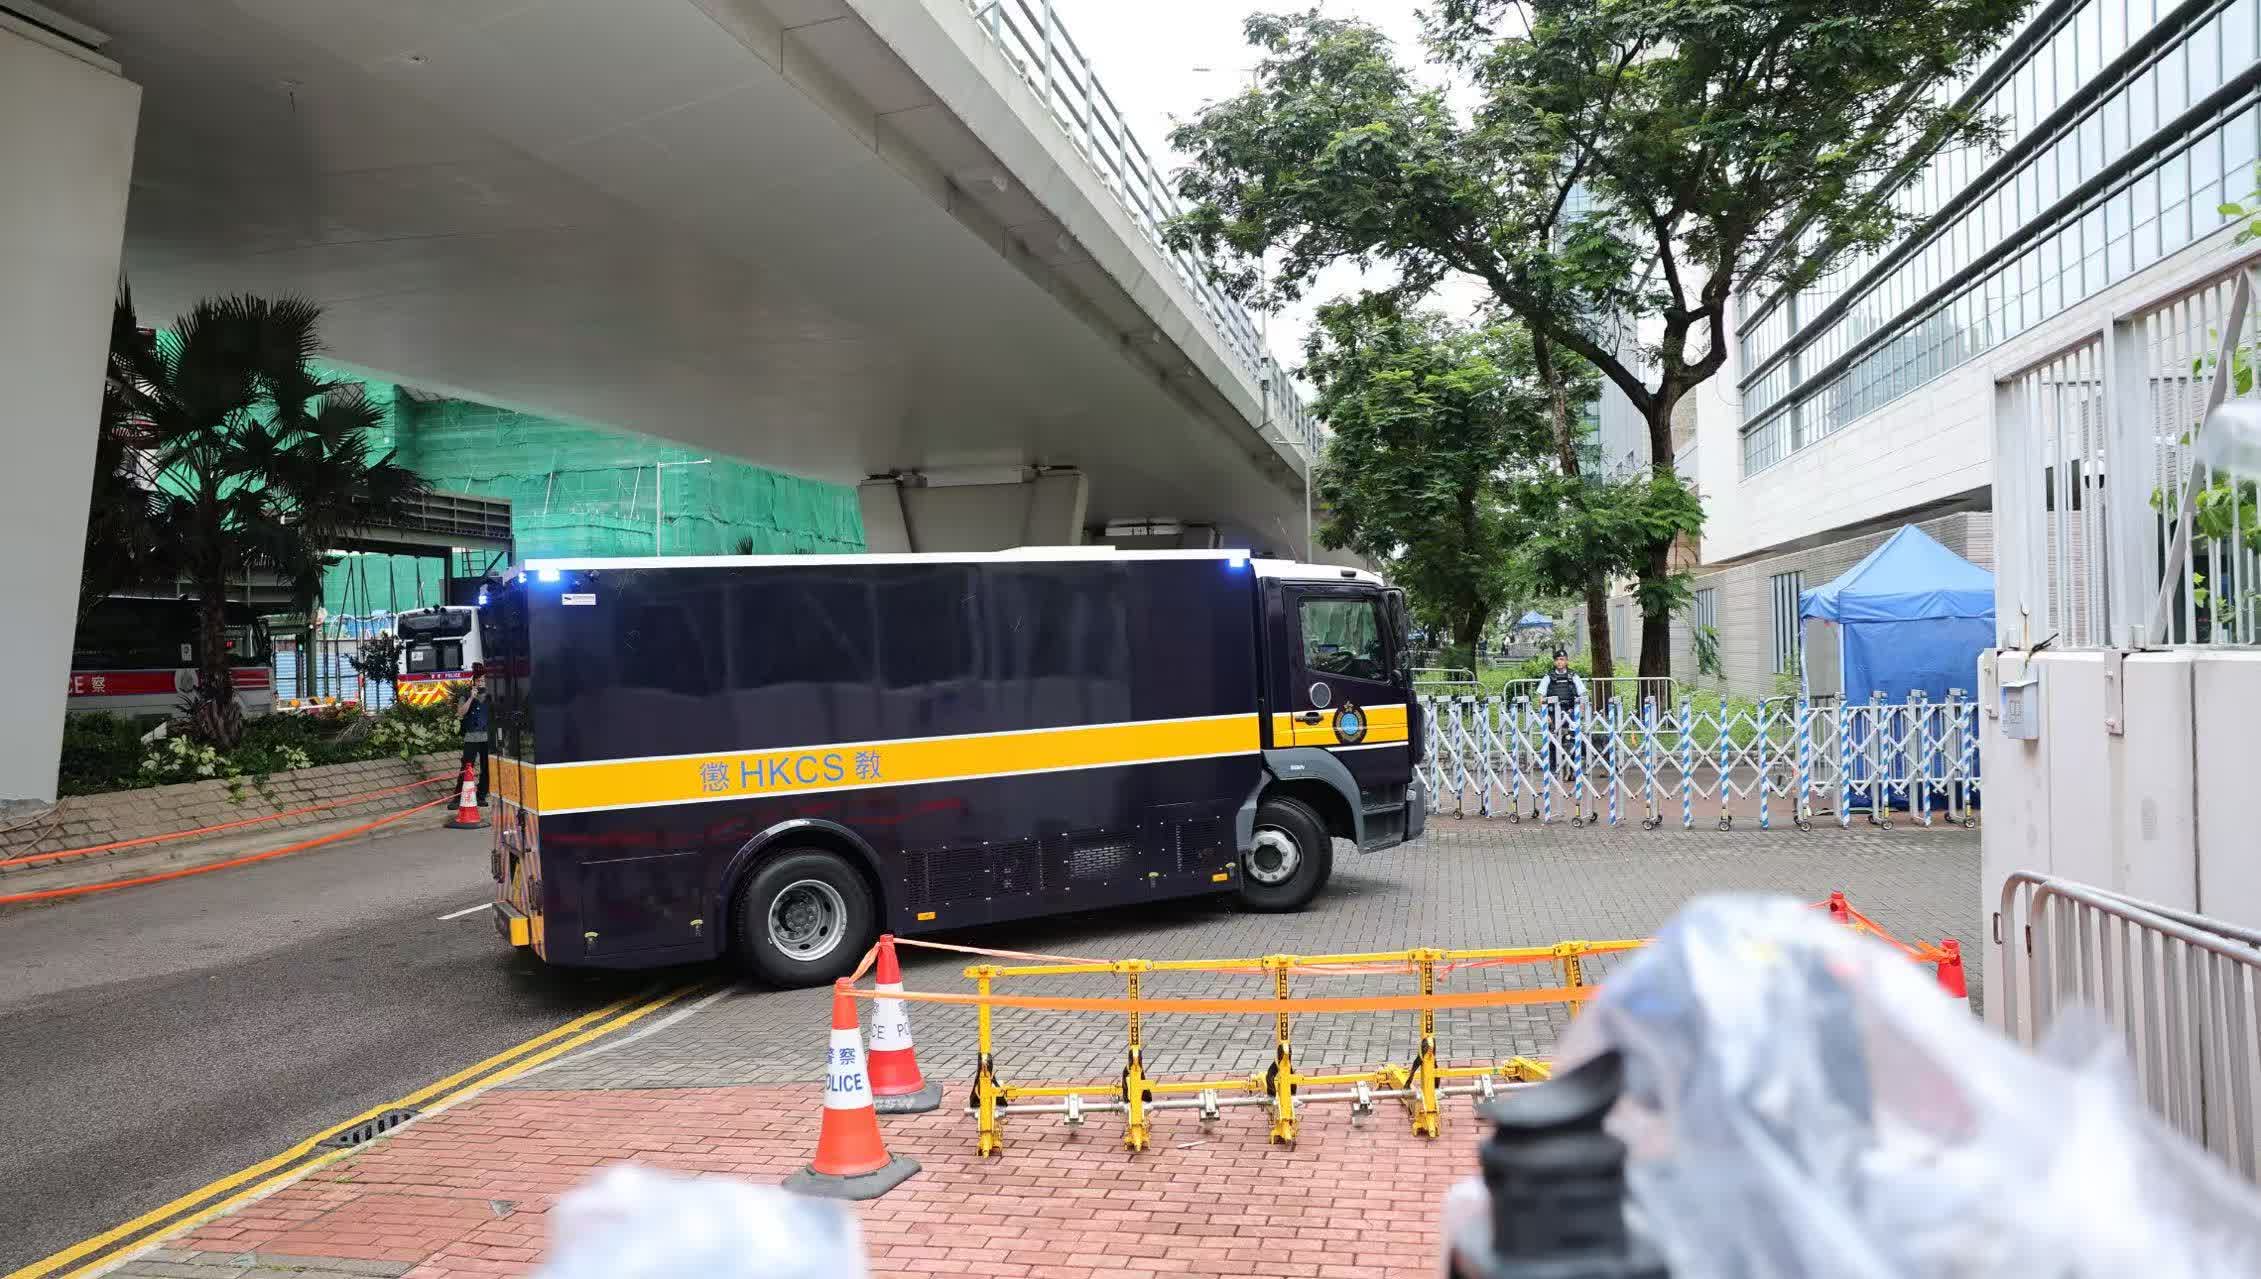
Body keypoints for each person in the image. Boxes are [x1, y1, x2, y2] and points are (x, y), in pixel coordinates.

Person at [1539, 648, 1585, 781]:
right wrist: (1545, 715)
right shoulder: (1548, 677)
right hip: (1554, 714)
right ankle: (1553, 769)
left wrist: (1580, 712)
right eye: (1557, 660)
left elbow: (1582, 695)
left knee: (1572, 740)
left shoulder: (1573, 676)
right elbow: (1541, 697)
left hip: (1570, 712)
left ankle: (1573, 770)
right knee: (1553, 741)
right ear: (1554, 662)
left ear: (1566, 661)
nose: (1560, 662)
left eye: (1562, 659)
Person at [456, 663, 492, 805]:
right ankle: (458, 797)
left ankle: (481, 795)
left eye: (483, 680)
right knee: (466, 767)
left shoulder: (491, 696)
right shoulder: (465, 695)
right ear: (474, 681)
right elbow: (461, 712)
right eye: (478, 680)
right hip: (471, 736)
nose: (481, 682)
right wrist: (471, 698)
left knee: (486, 768)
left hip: (487, 737)